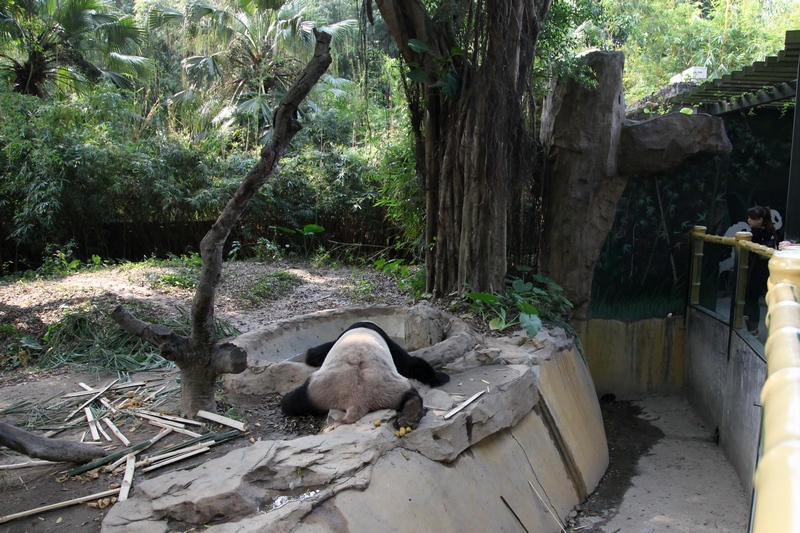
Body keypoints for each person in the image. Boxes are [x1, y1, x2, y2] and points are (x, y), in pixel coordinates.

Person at [743, 206, 779, 335]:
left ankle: (753, 327)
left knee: (751, 297)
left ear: (760, 220)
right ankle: (751, 323)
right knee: (753, 297)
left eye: (751, 218)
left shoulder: (755, 234)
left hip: (757, 269)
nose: (748, 220)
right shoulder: (772, 232)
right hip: (767, 268)